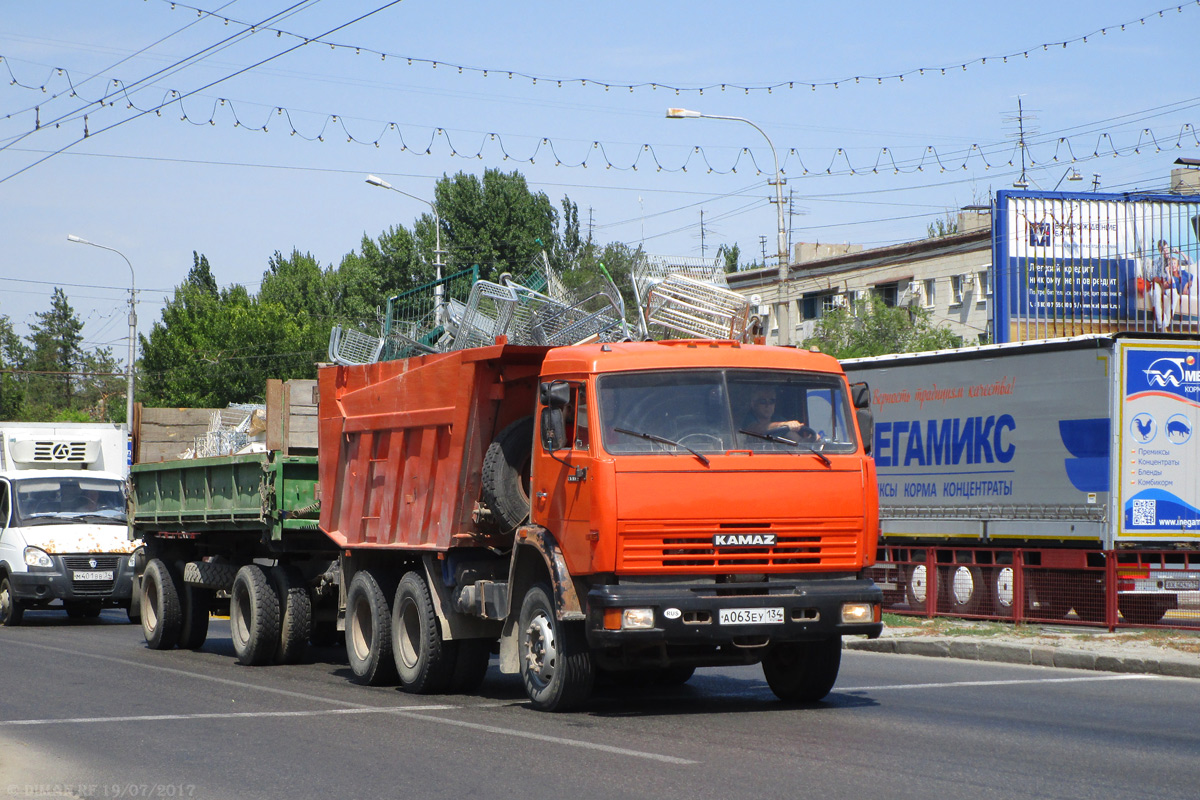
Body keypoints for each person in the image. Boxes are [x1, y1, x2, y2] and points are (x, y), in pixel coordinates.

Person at [741, 386, 817, 442]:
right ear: (753, 404)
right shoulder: (748, 418)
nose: (768, 405)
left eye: (772, 401)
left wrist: (812, 439)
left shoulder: (778, 419)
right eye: (763, 401)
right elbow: (756, 429)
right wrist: (783, 424)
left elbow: (798, 441)